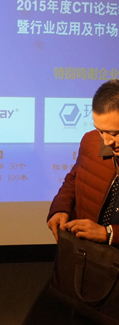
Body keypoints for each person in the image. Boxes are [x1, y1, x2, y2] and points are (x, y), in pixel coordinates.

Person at [47, 79, 119, 246]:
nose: (107, 141)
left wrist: (109, 234)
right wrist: (60, 208)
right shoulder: (90, 141)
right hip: (91, 254)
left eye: (115, 133)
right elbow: (74, 179)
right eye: (101, 131)